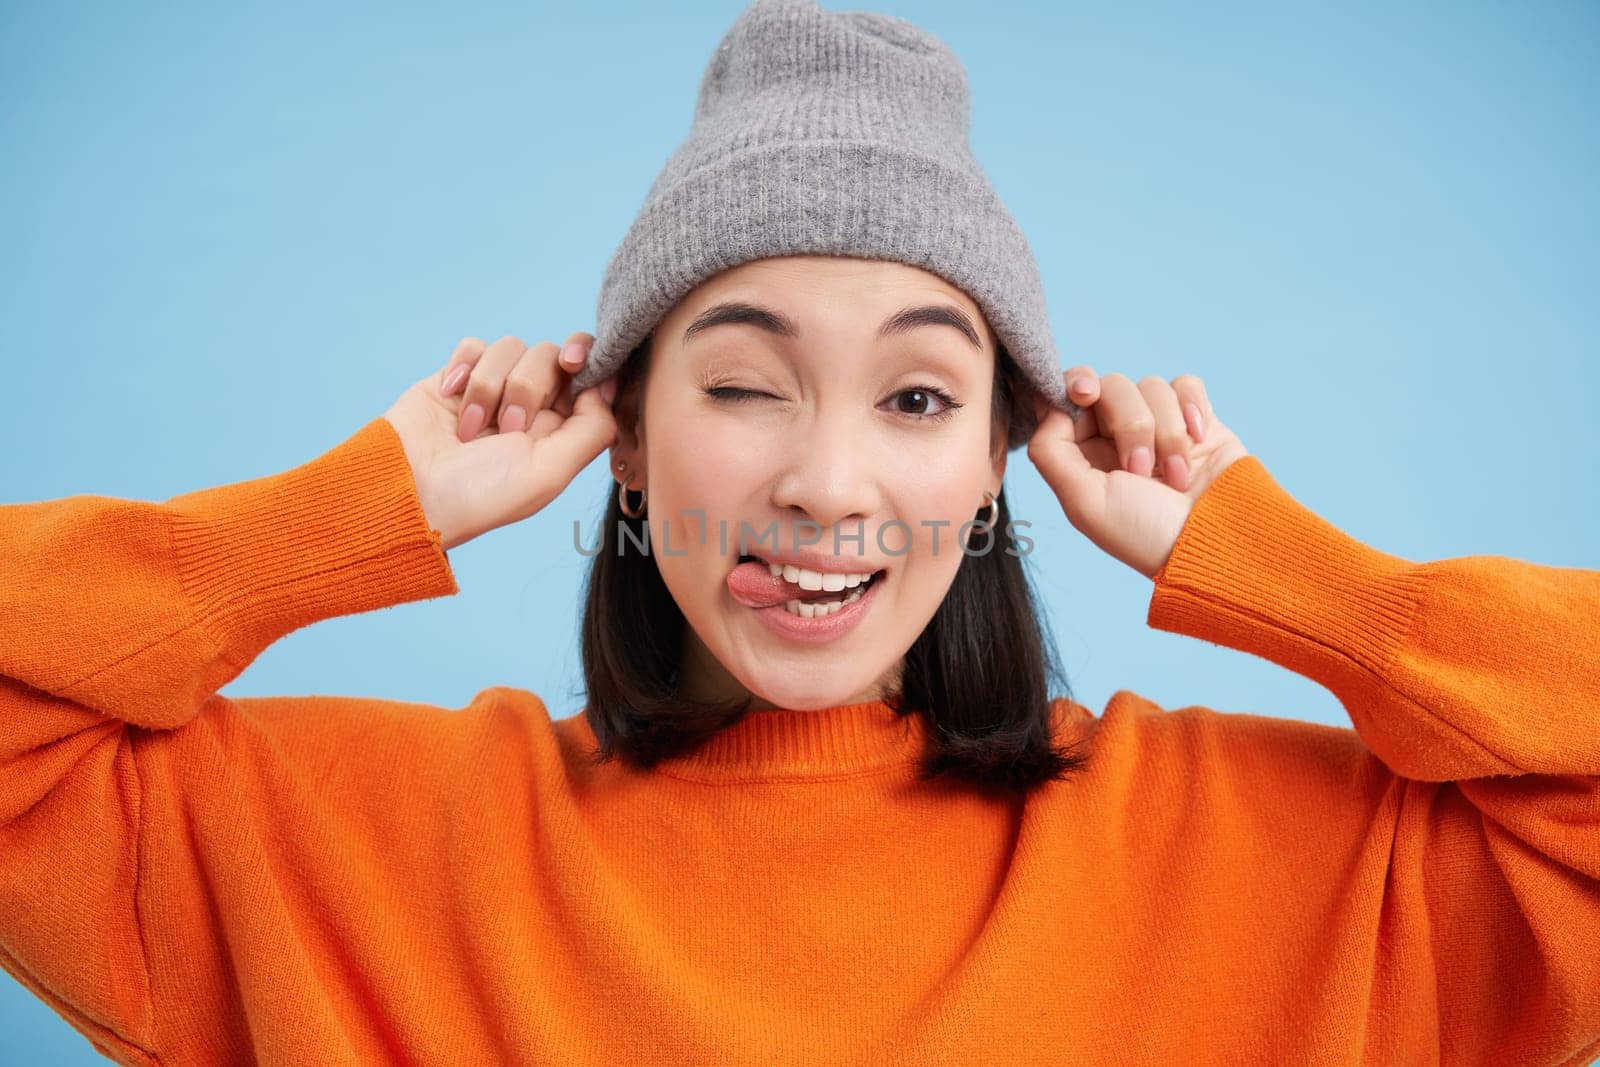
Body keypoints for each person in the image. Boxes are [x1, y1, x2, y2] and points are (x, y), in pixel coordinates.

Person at [3, 1, 1598, 1064]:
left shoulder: (1292, 867)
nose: (830, 483)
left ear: (999, 463)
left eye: (916, 401)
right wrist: (339, 518)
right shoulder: (355, 848)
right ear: (621, 435)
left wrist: (1296, 580)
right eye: (747, 385)